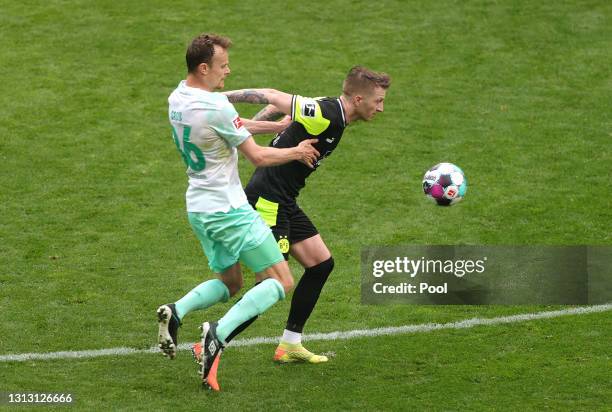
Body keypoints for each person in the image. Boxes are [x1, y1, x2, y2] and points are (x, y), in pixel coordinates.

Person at [191, 66, 391, 364]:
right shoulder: (327, 113)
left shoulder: (331, 110)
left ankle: (290, 344)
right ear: (359, 99)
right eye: (378, 101)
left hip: (284, 201)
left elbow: (276, 108)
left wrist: (247, 128)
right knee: (271, 285)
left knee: (321, 264)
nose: (381, 108)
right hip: (268, 201)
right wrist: (215, 99)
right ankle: (209, 341)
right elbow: (271, 95)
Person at [157, 33, 319, 392]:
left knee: (231, 283)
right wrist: (296, 150)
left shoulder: (178, 98)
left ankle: (177, 310)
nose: (227, 72)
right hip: (229, 210)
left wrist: (275, 126)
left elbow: (229, 127)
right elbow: (258, 157)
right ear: (203, 68)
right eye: (222, 65)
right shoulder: (217, 107)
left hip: (198, 208)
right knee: (280, 280)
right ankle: (217, 335)